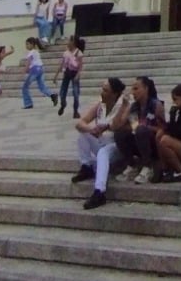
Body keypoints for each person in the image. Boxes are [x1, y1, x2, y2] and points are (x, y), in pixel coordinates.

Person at [73, 77, 130, 211]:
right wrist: (91, 129)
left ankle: (100, 191)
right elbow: (80, 123)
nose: (102, 92)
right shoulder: (101, 104)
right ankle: (86, 166)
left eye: (105, 90)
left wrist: (122, 108)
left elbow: (117, 125)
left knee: (103, 153)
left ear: (114, 94)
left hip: (117, 147)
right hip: (102, 142)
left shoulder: (125, 105)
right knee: (83, 134)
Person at [112, 76, 165, 184]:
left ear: (146, 88)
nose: (133, 92)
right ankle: (132, 165)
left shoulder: (156, 105)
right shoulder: (134, 107)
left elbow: (163, 128)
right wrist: (124, 106)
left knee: (141, 130)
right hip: (139, 139)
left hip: (153, 143)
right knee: (120, 133)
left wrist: (145, 127)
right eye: (132, 89)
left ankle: (148, 167)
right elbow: (117, 126)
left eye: (136, 89)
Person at [21, 37, 59, 110]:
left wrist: (24, 71)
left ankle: (28, 104)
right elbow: (35, 62)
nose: (26, 46)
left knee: (25, 87)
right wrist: (29, 69)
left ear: (32, 44)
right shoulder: (36, 51)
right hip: (40, 69)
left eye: (27, 44)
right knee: (42, 87)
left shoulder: (31, 52)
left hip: (35, 71)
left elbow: (28, 62)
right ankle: (53, 95)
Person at [55, 35, 84, 118]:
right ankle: (63, 104)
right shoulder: (66, 53)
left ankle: (75, 111)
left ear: (73, 43)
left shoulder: (79, 53)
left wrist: (78, 75)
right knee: (62, 92)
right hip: (67, 73)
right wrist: (56, 76)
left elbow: (80, 67)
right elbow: (62, 64)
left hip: (74, 74)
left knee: (76, 93)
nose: (67, 42)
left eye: (69, 41)